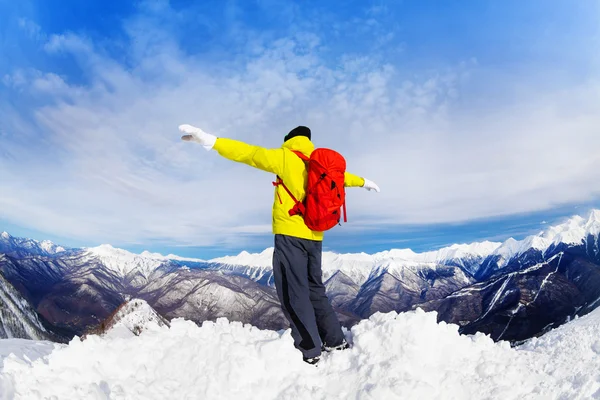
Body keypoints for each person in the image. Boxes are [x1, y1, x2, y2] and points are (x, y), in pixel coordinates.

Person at [180, 124, 380, 364]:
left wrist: (211, 141)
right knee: (315, 290)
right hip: (316, 236)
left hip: (289, 236)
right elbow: (345, 179)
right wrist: (364, 182)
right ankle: (335, 341)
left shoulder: (285, 157)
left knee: (293, 293)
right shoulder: (321, 165)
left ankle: (310, 349)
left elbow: (248, 153)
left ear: (289, 139)